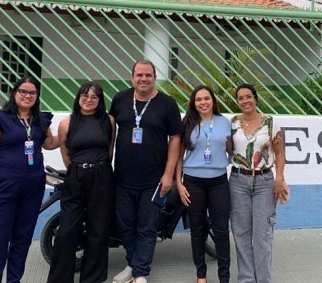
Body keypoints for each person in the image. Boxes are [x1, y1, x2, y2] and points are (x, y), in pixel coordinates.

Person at [0, 76, 59, 283]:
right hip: (4, 186)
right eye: (23, 91)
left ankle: (14, 280)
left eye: (32, 93)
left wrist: (70, 131)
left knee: (22, 240)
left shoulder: (40, 120)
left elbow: (49, 143)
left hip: (33, 187)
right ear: (14, 93)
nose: (27, 96)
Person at [110, 60, 184, 283]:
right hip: (122, 177)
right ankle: (133, 264)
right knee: (125, 225)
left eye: (148, 75)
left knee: (147, 227)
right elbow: (111, 132)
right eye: (139, 75)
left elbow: (175, 139)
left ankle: (141, 272)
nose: (144, 79)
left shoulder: (167, 103)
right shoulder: (120, 99)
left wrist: (168, 174)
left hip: (154, 180)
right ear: (132, 77)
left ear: (155, 78)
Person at [47, 81, 115, 283]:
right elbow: (66, 155)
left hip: (102, 177)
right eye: (85, 96)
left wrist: (98, 169)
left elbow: (109, 150)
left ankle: (92, 279)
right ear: (78, 98)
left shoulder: (109, 120)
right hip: (76, 177)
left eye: (94, 97)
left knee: (98, 229)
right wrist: (80, 170)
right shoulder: (66, 123)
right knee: (67, 230)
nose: (89, 100)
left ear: (100, 100)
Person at [229, 83, 288, 283]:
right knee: (241, 234)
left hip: (264, 182)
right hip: (238, 181)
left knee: (262, 235)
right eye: (241, 98)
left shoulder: (270, 123)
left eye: (248, 96)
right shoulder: (233, 123)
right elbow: (229, 150)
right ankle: (246, 279)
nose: (245, 101)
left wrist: (279, 178)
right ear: (237, 102)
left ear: (255, 99)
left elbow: (279, 153)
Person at [176, 85, 233, 283]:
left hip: (218, 182)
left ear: (213, 100)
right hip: (193, 183)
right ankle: (201, 276)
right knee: (198, 230)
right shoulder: (187, 122)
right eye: (198, 99)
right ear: (194, 102)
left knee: (221, 230)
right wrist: (179, 183)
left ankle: (224, 277)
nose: (203, 102)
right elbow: (179, 155)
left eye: (206, 98)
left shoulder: (224, 122)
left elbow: (232, 150)